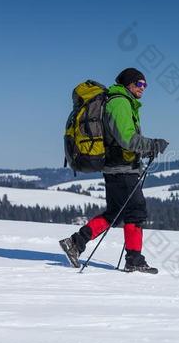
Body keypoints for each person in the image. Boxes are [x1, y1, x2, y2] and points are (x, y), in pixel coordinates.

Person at [59, 68, 169, 273]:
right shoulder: (119, 103)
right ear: (128, 83)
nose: (142, 88)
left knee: (115, 214)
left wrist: (145, 149)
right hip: (122, 169)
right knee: (135, 212)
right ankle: (134, 260)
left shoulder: (120, 101)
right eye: (139, 84)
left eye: (145, 85)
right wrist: (152, 144)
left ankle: (76, 243)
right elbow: (126, 139)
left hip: (117, 167)